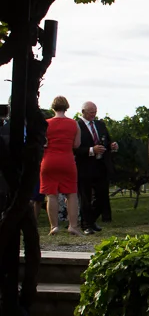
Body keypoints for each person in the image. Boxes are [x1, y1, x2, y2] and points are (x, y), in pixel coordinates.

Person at [40, 96, 82, 236]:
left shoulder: (45, 124)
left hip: (49, 160)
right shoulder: (74, 124)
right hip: (67, 159)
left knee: (51, 195)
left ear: (53, 107)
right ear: (67, 107)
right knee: (71, 194)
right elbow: (76, 145)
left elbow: (43, 143)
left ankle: (54, 226)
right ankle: (73, 226)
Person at [74, 101, 118, 234]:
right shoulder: (77, 125)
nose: (93, 114)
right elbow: (74, 148)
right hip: (85, 166)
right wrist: (91, 150)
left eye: (95, 111)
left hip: (101, 165)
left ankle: (91, 220)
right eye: (90, 112)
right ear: (83, 112)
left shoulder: (100, 124)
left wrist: (112, 146)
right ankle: (86, 224)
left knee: (102, 196)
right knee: (85, 196)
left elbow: (107, 141)